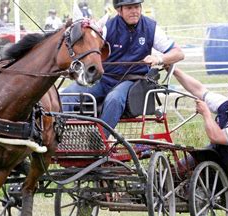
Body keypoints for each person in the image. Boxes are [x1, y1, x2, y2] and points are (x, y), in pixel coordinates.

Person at [61, 0, 184, 136]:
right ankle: (61, 137)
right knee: (67, 95)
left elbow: (178, 53)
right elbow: (90, 47)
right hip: (104, 79)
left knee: (114, 99)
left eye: (137, 7)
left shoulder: (151, 27)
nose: (134, 11)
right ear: (119, 10)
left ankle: (100, 141)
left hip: (131, 82)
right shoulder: (107, 27)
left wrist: (159, 59)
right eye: (129, 8)